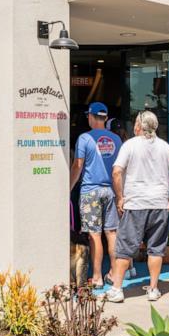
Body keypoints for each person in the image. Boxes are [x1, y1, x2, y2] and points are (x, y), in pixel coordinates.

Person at [105, 111, 169, 303]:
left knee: (124, 249)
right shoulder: (165, 147)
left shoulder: (130, 145)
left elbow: (116, 172)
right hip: (159, 204)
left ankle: (117, 289)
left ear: (139, 126)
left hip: (135, 204)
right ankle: (153, 289)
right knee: (156, 249)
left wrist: (120, 197)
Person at [70, 102, 122, 288]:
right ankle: (115, 274)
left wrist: (68, 187)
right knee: (112, 233)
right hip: (111, 191)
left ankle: (98, 276)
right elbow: (119, 169)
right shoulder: (116, 139)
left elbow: (78, 165)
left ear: (91, 117)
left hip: (90, 191)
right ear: (106, 118)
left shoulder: (84, 138)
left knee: (94, 235)